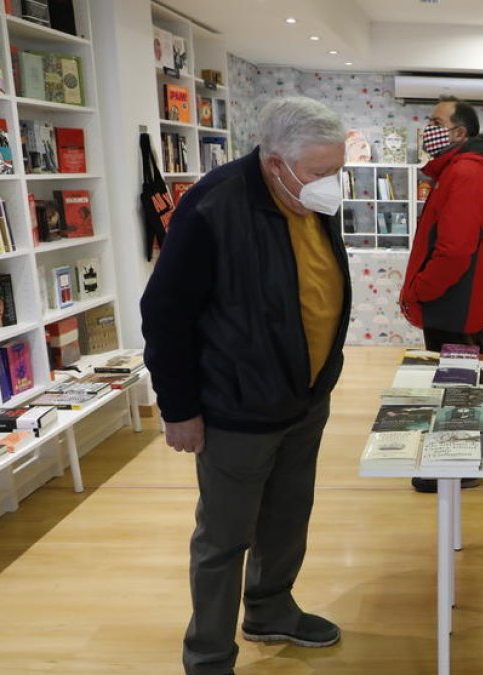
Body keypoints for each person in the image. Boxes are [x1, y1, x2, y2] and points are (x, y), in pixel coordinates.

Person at [140, 96, 351, 675]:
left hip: (305, 396)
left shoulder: (311, 197)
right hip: (236, 407)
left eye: (337, 170)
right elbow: (164, 313)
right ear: (275, 161)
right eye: (319, 172)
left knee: (288, 518)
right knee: (225, 537)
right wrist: (178, 407)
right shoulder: (212, 206)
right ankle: (208, 656)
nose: (330, 184)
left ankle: (270, 610)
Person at [400, 96, 483, 493]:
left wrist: (420, 291)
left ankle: (457, 466)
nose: (427, 127)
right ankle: (459, 460)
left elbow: (455, 250)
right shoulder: (467, 170)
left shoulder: (465, 173)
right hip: (458, 301)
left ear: (459, 132)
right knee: (461, 386)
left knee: (457, 388)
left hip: (452, 303)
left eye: (435, 120)